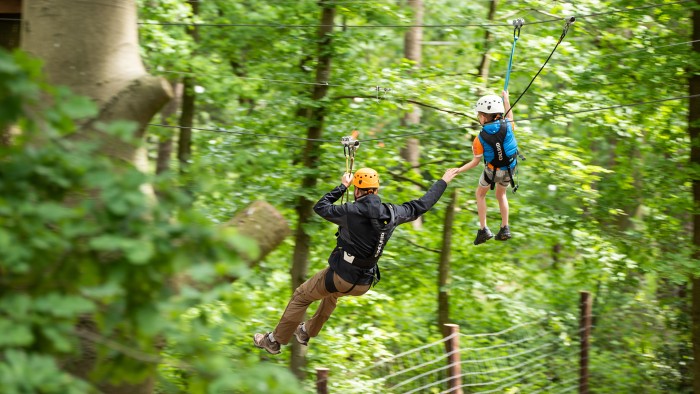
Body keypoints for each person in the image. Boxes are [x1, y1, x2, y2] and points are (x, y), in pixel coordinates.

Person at [253, 167, 460, 354]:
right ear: (376, 191)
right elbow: (421, 205)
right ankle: (306, 331)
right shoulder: (392, 213)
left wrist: (342, 186)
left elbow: (321, 207)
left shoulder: (350, 211)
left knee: (301, 296)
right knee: (331, 295)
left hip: (341, 276)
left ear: (357, 191)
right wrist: (443, 181)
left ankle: (274, 340)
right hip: (363, 284)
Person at [455, 91, 519, 245]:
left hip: (492, 171)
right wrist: (507, 100)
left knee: (480, 194)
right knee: (501, 194)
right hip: (510, 169)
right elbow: (510, 118)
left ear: (483, 117)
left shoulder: (479, 139)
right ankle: (505, 227)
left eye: (478, 115)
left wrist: (458, 170)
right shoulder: (508, 126)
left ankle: (483, 229)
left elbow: (475, 162)